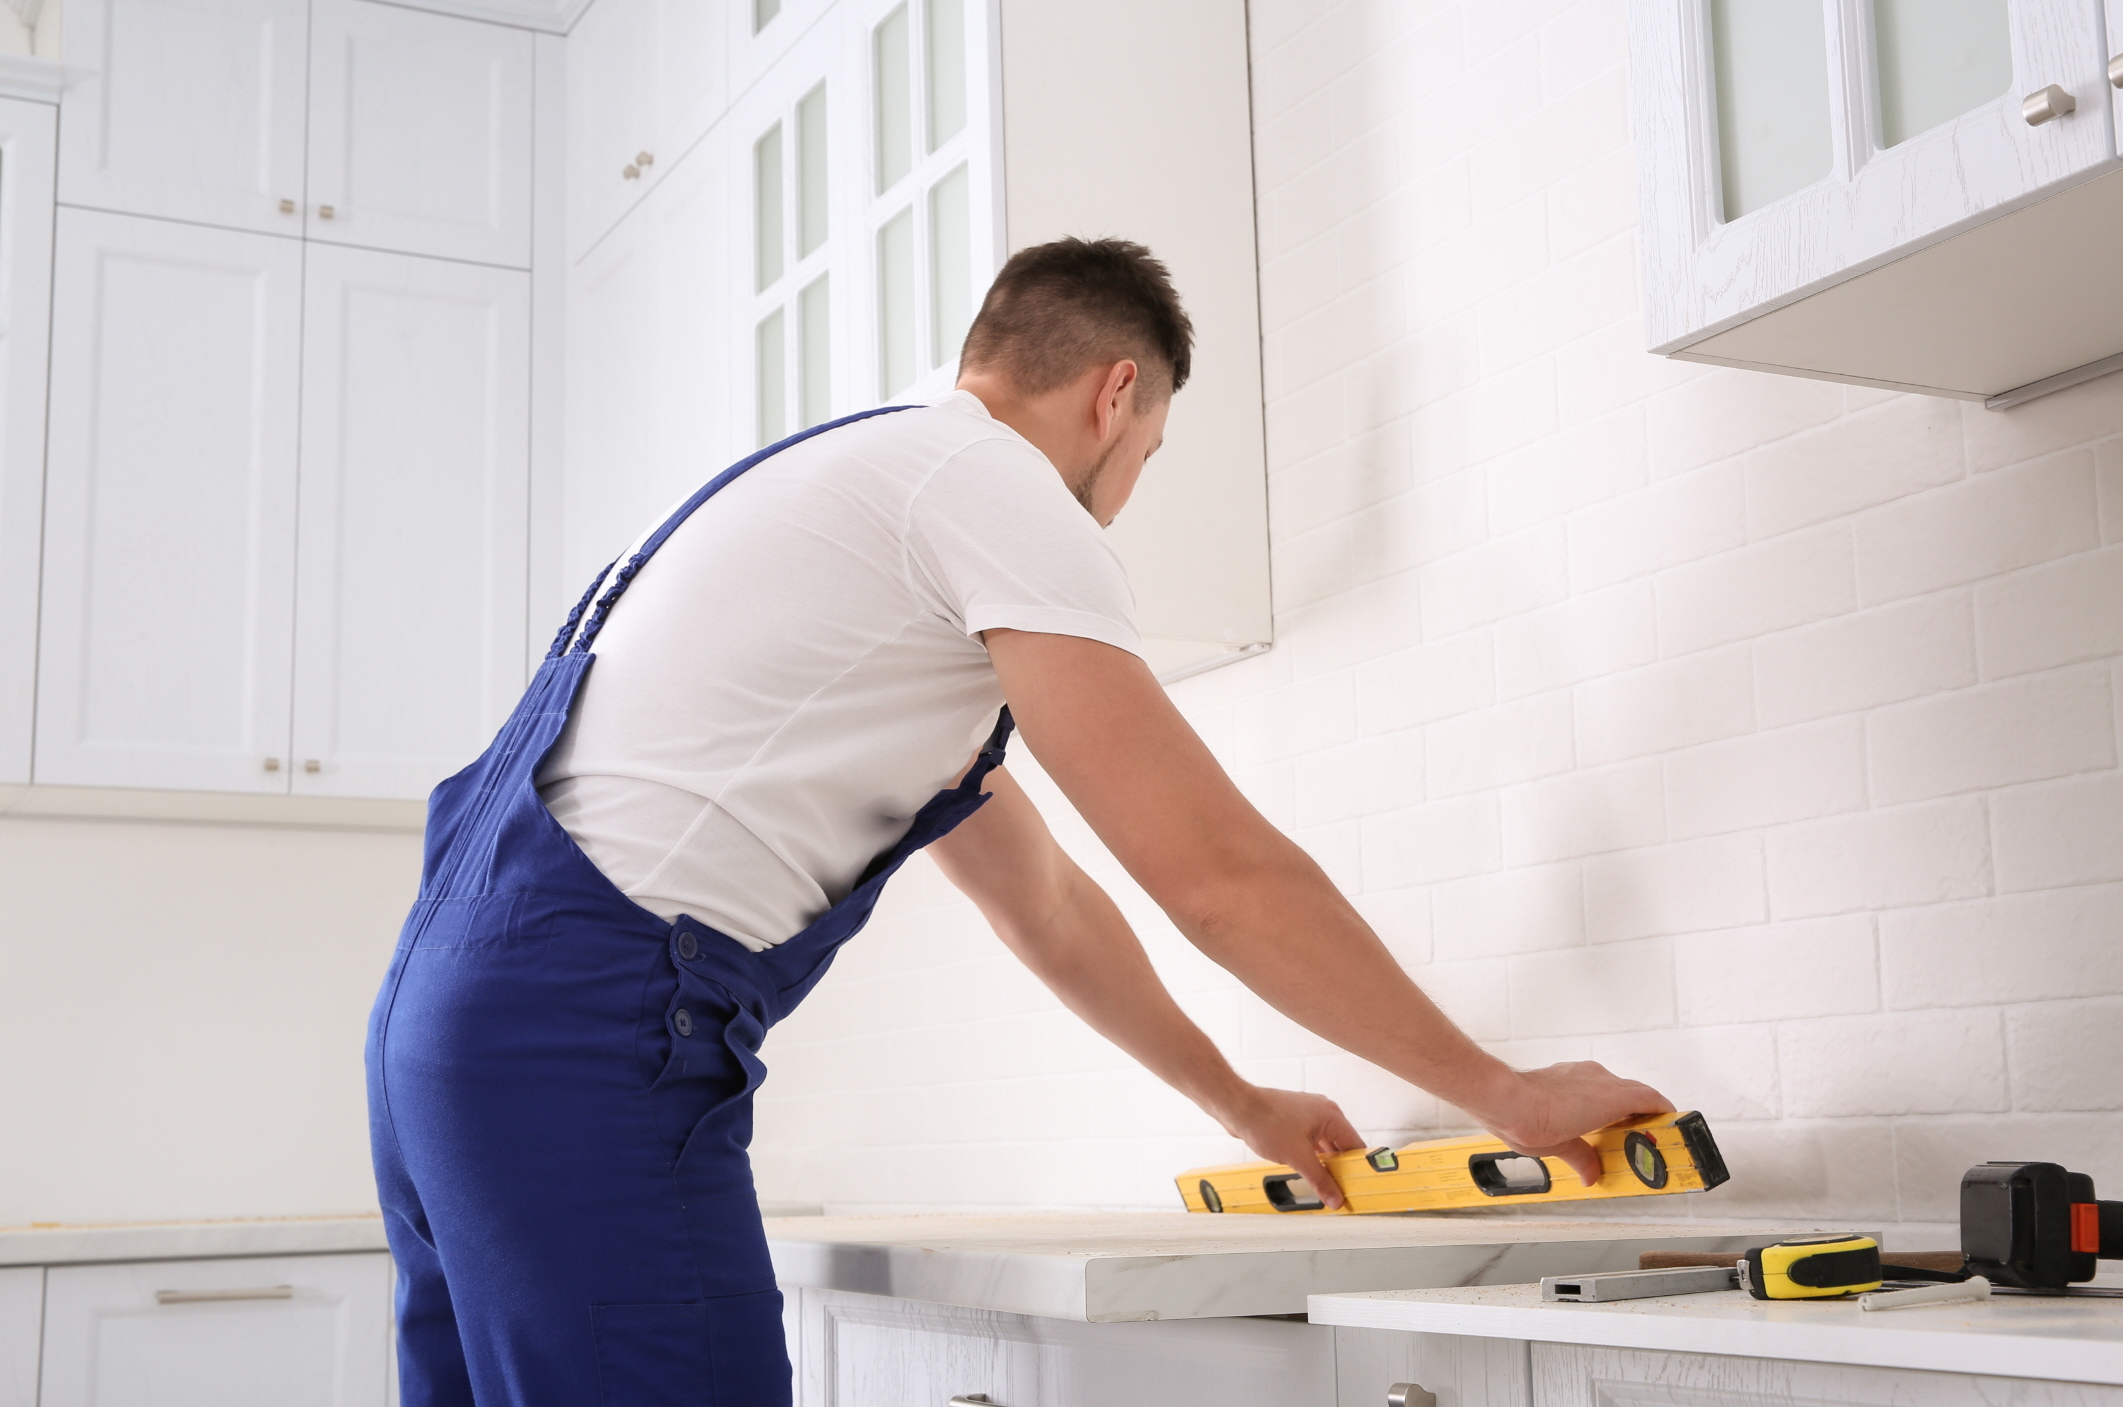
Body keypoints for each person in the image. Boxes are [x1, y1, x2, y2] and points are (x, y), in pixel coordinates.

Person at [365, 237, 1672, 1406]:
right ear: (1117, 394)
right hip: (577, 1043)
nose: (1124, 495)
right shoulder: (995, 493)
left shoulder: (866, 499)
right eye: (1147, 455)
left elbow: (1044, 906)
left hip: (445, 1034)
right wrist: (1504, 1091)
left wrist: (1243, 1104)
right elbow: (1213, 873)